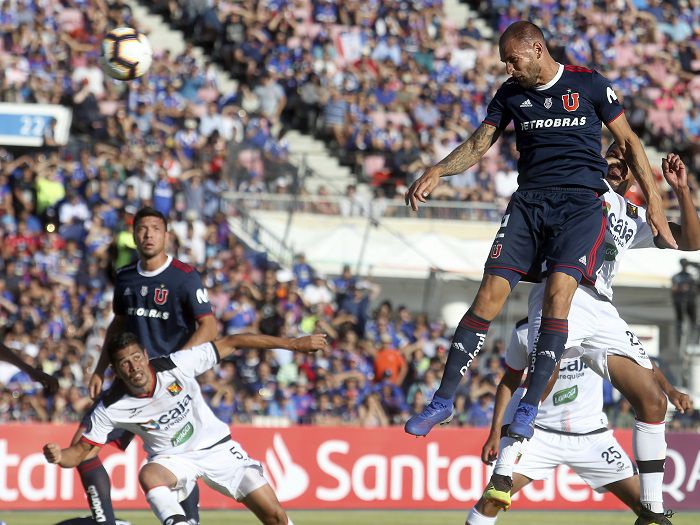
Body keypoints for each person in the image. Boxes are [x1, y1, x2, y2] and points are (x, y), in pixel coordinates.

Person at [404, 21, 674, 439]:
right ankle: (442, 400)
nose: (508, 68)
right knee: (488, 295)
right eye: (504, 63)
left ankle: (529, 407)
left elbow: (632, 143)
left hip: (581, 206)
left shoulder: (589, 84)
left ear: (536, 48)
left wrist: (655, 204)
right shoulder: (510, 95)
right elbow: (479, 145)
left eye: (513, 59)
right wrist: (439, 170)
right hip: (529, 204)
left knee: (557, 296)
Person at [485, 148, 698, 525]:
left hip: (601, 306)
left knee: (652, 399)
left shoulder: (632, 216)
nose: (617, 158)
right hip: (564, 290)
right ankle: (505, 468)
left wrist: (680, 189)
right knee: (544, 379)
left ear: (635, 174)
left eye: (625, 158)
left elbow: (691, 241)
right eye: (611, 153)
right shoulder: (579, 186)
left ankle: (650, 508)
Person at [44, 331, 328, 525]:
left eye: (136, 358)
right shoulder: (111, 405)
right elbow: (81, 453)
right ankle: (176, 521)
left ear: (145, 354)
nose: (134, 367)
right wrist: (60, 456)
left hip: (218, 449)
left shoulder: (175, 364)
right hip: (173, 460)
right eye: (124, 364)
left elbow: (234, 341)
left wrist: (293, 344)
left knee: (275, 517)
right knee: (149, 473)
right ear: (116, 371)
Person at [467, 318, 691, 525]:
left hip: (592, 438)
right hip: (539, 435)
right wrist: (495, 433)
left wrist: (670, 391)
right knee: (492, 499)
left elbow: (640, 359)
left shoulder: (596, 322)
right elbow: (509, 382)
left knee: (648, 508)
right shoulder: (525, 330)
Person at [73, 207, 217, 525]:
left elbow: (208, 326)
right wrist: (100, 368)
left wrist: (177, 365)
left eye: (155, 228)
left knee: (174, 460)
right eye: (142, 229)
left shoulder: (184, 276)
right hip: (128, 383)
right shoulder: (125, 276)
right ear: (134, 235)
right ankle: (106, 521)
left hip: (169, 386)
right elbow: (118, 325)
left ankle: (187, 520)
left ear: (166, 235)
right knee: (82, 448)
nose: (148, 234)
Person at [671, 259, 697, 343]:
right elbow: (674, 289)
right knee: (680, 321)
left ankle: (694, 338)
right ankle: (680, 338)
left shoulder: (691, 277)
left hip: (690, 301)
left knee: (693, 321)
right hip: (680, 301)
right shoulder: (677, 277)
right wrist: (681, 289)